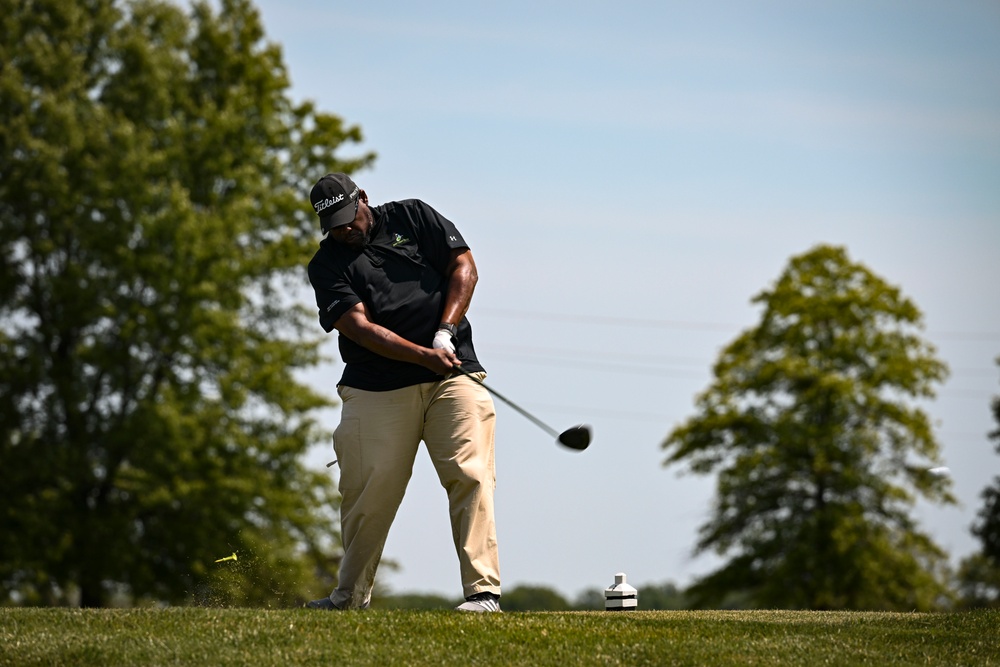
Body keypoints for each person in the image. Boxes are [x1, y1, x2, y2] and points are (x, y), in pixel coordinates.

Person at [303, 172, 501, 612]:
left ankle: (483, 594)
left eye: (347, 217)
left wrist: (445, 333)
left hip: (452, 374)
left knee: (469, 474)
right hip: (376, 386)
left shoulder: (412, 216)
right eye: (332, 224)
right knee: (368, 491)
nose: (343, 229)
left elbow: (464, 267)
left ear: (363, 200)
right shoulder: (326, 265)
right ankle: (349, 598)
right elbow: (359, 328)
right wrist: (421, 355)